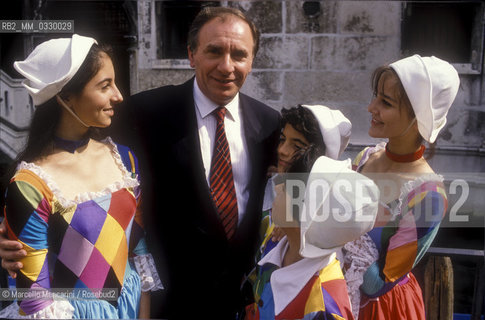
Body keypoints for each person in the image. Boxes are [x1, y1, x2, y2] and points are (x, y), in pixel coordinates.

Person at [0, 7, 279, 318]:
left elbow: (293, 199)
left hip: (236, 305)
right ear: (191, 54)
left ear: (253, 60)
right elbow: (43, 194)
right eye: (214, 51)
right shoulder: (140, 115)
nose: (226, 66)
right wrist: (10, 236)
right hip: (161, 306)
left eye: (239, 54)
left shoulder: (270, 127)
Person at [0, 34, 163, 318]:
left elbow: (139, 251)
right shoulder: (29, 185)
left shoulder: (124, 159)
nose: (118, 95)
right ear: (64, 97)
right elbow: (33, 300)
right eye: (105, 85)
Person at [342, 55, 459, 319]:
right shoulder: (365, 158)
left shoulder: (428, 197)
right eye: (376, 96)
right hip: (339, 293)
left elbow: (378, 283)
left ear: (418, 116)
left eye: (385, 102)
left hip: (381, 309)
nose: (371, 107)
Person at [245, 105, 380, 320]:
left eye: (288, 187)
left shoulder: (323, 301)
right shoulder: (279, 248)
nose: (278, 187)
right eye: (283, 139)